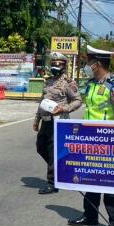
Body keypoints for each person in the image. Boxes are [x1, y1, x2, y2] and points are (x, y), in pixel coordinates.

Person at [67, 46, 114, 226]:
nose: (86, 66)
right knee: (90, 179)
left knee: (110, 184)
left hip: (108, 143)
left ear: (97, 64)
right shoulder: (91, 84)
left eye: (88, 62)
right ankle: (90, 215)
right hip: (90, 142)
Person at [33, 52, 82, 195]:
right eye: (53, 63)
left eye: (58, 64)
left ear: (64, 66)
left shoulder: (68, 83)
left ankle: (52, 183)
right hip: (46, 121)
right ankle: (61, 168)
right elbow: (42, 101)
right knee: (41, 147)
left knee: (53, 151)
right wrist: (37, 119)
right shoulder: (48, 81)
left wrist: (63, 108)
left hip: (59, 122)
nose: (55, 66)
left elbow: (78, 101)